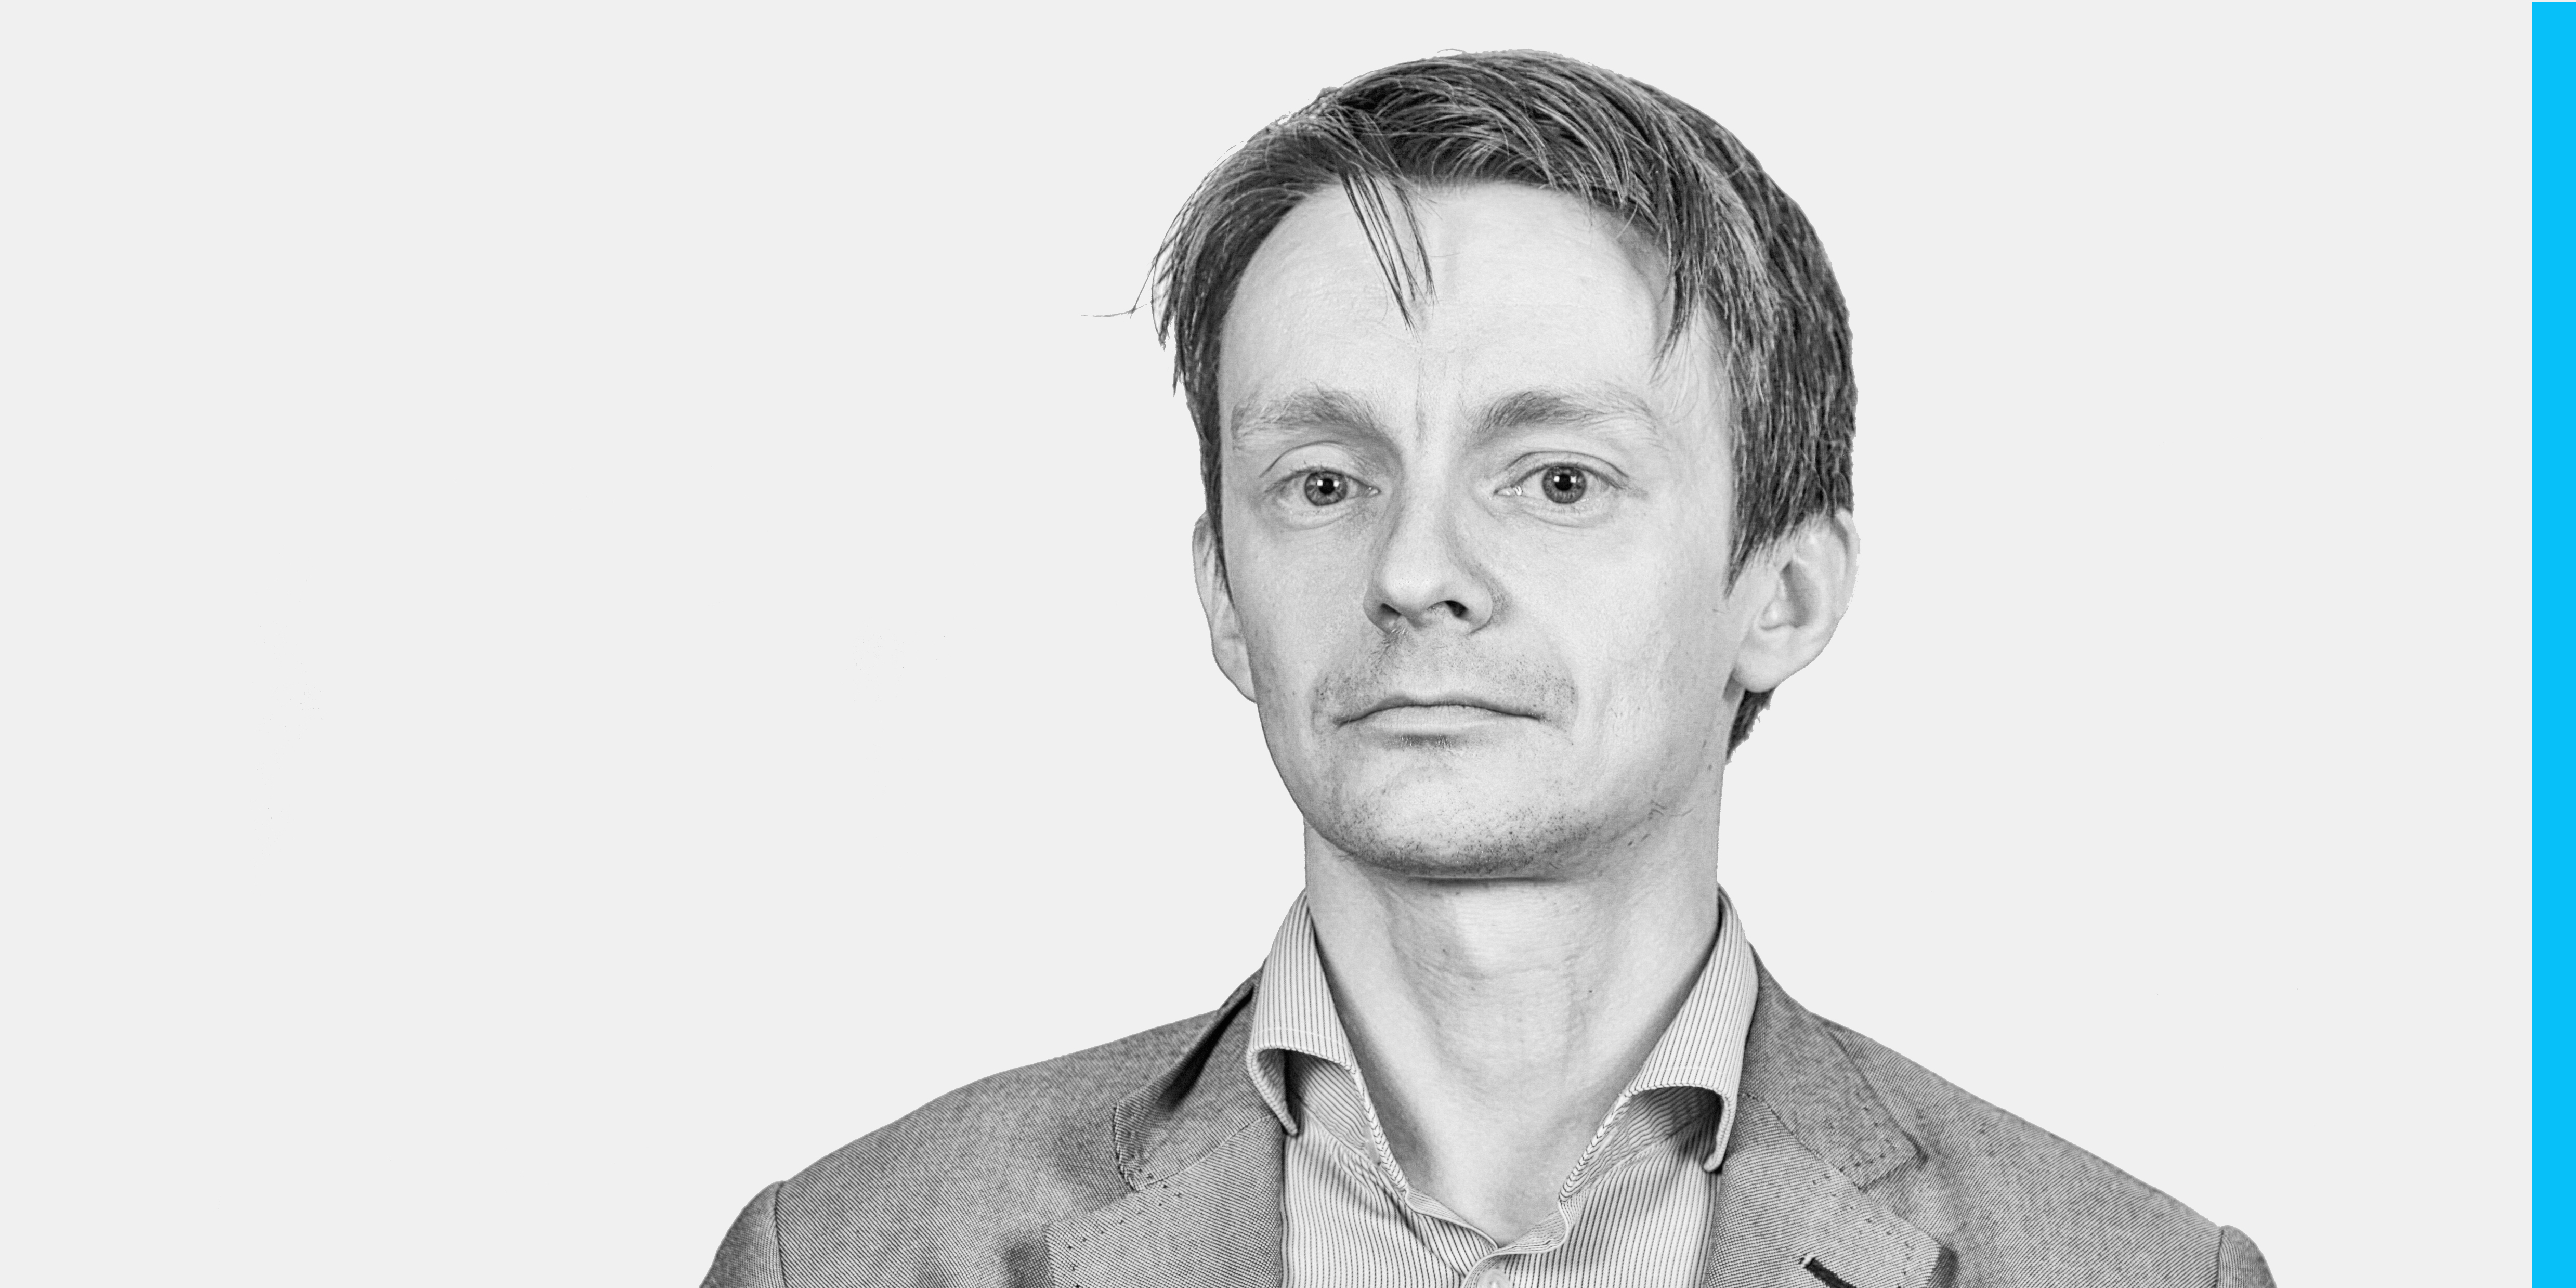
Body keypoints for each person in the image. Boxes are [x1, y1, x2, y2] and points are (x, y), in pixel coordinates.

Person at [702, 50, 2273, 1288]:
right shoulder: (842, 1258)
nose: (1412, 569)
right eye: (1325, 481)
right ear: (1224, 596)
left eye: (1558, 480)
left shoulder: (2133, 1274)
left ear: (1784, 594)